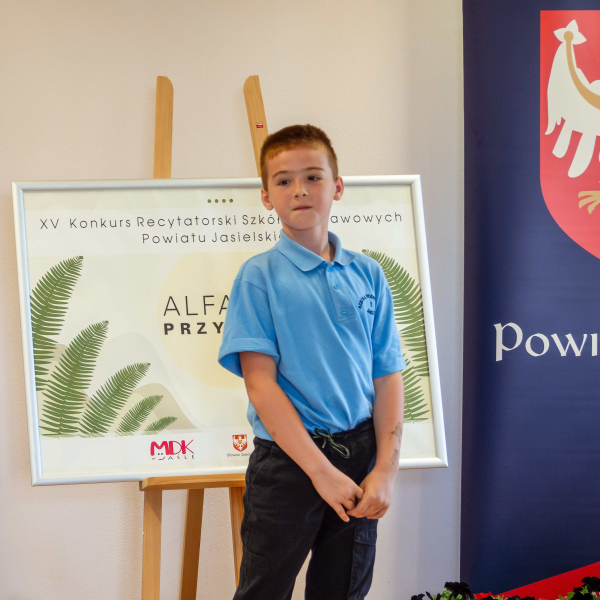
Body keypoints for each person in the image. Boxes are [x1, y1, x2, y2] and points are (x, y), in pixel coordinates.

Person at [218, 124, 406, 600]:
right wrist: (321, 472)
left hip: (361, 455)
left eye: (313, 177)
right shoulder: (258, 277)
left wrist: (385, 470)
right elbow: (260, 385)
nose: (299, 190)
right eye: (283, 181)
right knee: (264, 590)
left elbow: (387, 375)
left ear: (337, 186)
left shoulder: (369, 273)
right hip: (289, 463)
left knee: (342, 591)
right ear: (266, 196)